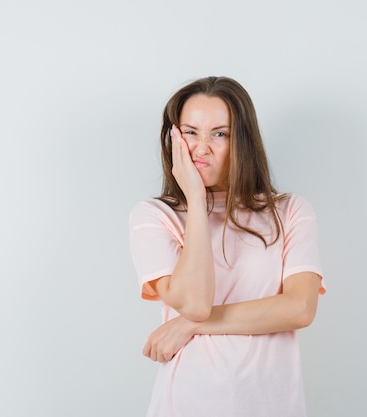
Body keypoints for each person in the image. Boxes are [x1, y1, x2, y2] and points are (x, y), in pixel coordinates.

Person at [128, 76, 325, 417]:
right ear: (173, 139)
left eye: (219, 134)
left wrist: (188, 325)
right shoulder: (154, 216)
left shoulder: (290, 211)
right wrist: (195, 199)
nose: (201, 147)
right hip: (188, 403)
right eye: (190, 132)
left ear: (242, 141)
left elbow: (299, 309)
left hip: (274, 405)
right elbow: (195, 303)